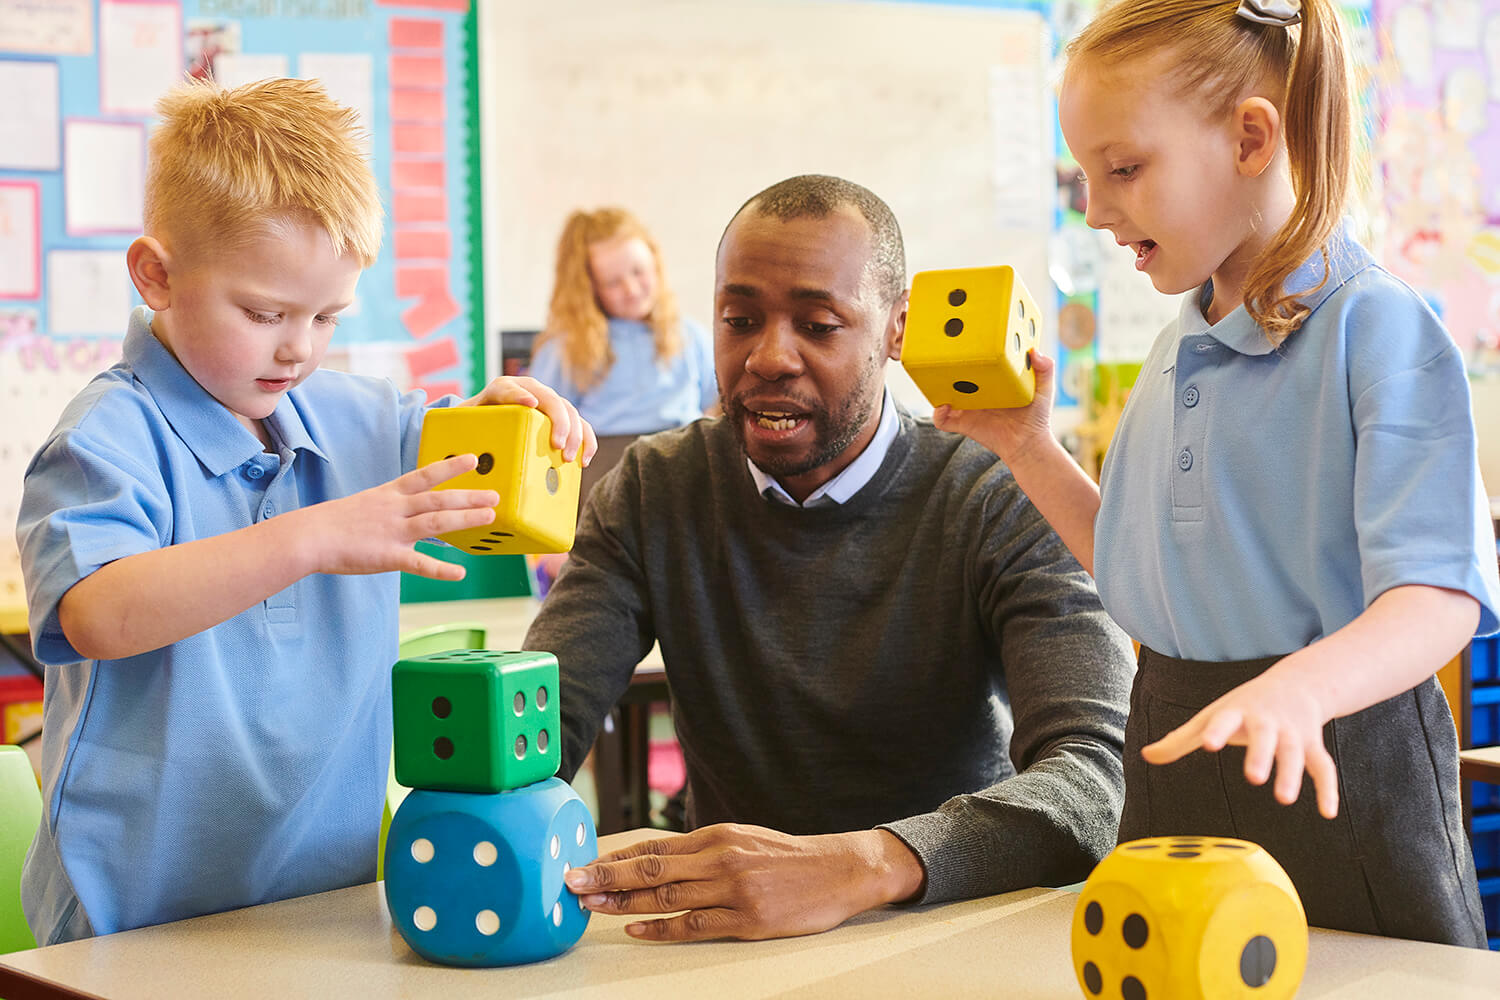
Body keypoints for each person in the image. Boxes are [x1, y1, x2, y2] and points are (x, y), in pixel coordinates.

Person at [936, 0, 1500, 946]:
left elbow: (1438, 596)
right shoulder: (1175, 346)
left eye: (1123, 169)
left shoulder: (1380, 329)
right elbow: (1139, 577)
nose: (1095, 208)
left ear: (1250, 138)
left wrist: (1305, 690)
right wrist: (1031, 449)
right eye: (1085, 174)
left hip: (1333, 757)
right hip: (1170, 748)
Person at [14, 78, 593, 945]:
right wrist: (312, 537)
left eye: (327, 315)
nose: (299, 346)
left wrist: (505, 417)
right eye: (264, 312)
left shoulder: (356, 413)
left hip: (327, 902)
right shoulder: (108, 438)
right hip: (135, 917)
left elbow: (458, 462)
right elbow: (98, 612)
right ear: (156, 276)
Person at [525, 174, 1136, 943]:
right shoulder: (655, 490)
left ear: (897, 331)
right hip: (727, 950)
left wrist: (864, 867)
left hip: (950, 935)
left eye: (817, 325)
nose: (769, 357)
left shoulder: (993, 490)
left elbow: (1096, 778)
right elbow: (536, 730)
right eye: (739, 319)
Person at [528, 206, 718, 435]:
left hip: (684, 456)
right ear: (590, 289)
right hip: (604, 463)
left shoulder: (690, 336)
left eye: (638, 271)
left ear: (654, 264)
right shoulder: (567, 349)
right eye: (612, 283)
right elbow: (540, 420)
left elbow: (717, 403)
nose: (632, 289)